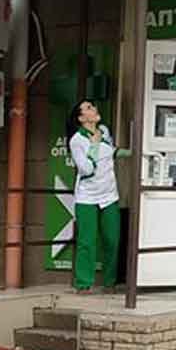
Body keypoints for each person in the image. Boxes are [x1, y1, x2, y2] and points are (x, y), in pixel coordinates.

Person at [67, 100, 132, 293]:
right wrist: (93, 147)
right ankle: (83, 284)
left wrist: (134, 153)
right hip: (87, 197)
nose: (94, 109)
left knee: (112, 239)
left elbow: (111, 152)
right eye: (88, 108)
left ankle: (110, 282)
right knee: (87, 241)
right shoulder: (77, 140)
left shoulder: (103, 130)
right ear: (81, 118)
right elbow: (86, 169)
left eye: (93, 106)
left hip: (109, 194)